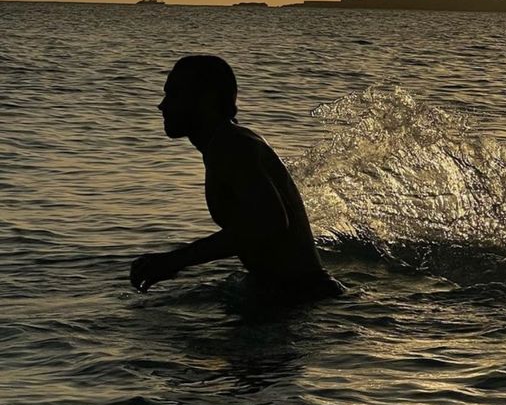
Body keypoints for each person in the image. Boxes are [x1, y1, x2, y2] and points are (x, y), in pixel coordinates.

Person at [130, 55, 345, 304]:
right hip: (287, 292)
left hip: (301, 295)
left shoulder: (232, 146)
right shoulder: (227, 143)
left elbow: (270, 222)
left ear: (206, 100)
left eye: (174, 94)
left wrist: (175, 260)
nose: (162, 105)